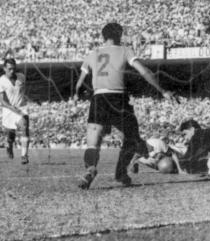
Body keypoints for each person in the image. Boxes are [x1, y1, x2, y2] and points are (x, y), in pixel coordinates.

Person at [71, 21, 175, 189]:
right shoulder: (125, 51)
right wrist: (163, 91)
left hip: (98, 98)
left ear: (103, 36)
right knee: (131, 139)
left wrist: (77, 94)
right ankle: (120, 173)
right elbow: (144, 71)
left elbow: (79, 83)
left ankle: (90, 168)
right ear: (119, 35)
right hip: (118, 98)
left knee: (92, 144)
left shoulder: (92, 54)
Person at [0, 57, 30, 164]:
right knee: (11, 134)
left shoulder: (21, 77)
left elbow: (23, 92)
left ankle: (24, 156)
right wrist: (12, 108)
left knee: (24, 126)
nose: (12, 71)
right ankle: (9, 146)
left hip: (21, 107)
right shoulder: (0, 81)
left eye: (14, 68)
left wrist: (31, 99)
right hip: (9, 110)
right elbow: (2, 101)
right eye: (9, 69)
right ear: (4, 68)